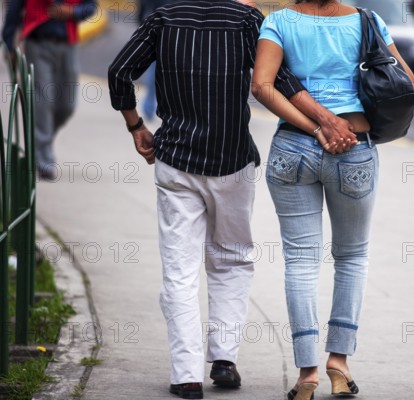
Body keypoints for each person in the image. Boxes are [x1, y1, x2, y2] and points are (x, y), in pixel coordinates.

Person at [108, 0, 356, 398]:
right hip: (232, 163)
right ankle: (224, 359)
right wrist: (323, 123)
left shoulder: (164, 18)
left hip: (176, 161)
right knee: (232, 260)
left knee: (180, 272)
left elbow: (119, 72)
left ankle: (186, 375)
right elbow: (280, 81)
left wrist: (136, 126)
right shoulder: (245, 20)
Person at [252, 0, 414, 398]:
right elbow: (405, 79)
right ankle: (338, 364)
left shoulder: (278, 22)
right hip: (354, 146)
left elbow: (262, 85)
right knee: (353, 255)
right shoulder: (367, 20)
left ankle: (306, 373)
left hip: (293, 147)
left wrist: (316, 126)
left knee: (301, 261)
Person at [2, 0, 97, 180]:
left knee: (67, 106)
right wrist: (9, 44)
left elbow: (91, 7)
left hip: (68, 44)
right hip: (37, 44)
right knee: (43, 101)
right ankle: (43, 161)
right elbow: (14, 7)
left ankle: (40, 141)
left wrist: (71, 12)